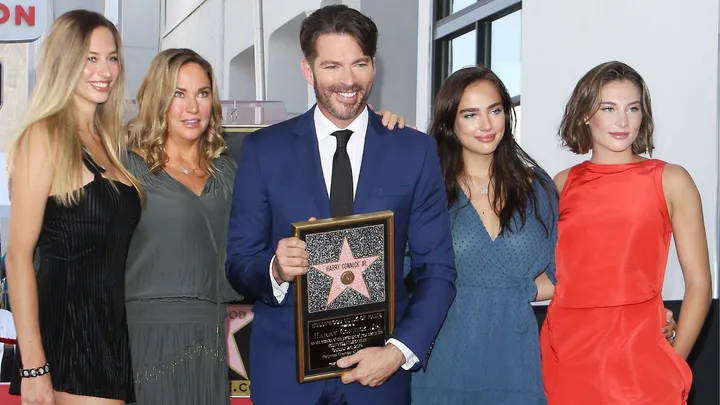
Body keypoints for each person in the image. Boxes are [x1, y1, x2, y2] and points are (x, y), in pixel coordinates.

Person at [381, 67, 679, 405]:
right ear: (450, 121)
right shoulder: (427, 186)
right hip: (441, 358)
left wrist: (648, 315)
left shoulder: (537, 188)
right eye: (470, 114)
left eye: (495, 111)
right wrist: (380, 134)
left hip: (517, 359)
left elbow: (571, 272)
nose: (486, 125)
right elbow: (388, 265)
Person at [225, 5, 456, 405]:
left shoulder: (413, 151)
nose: (348, 81)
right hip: (286, 378)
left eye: (359, 64)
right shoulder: (265, 151)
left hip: (379, 379)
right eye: (332, 66)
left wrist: (398, 351)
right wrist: (276, 269)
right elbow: (239, 262)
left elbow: (437, 271)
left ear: (373, 67)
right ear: (307, 70)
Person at [540, 61, 712, 405]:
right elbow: (555, 278)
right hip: (566, 358)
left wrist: (675, 361)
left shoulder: (671, 180)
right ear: (585, 114)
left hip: (642, 364)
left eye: (633, 108)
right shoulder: (560, 185)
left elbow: (700, 283)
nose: (622, 121)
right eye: (609, 108)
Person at [5, 9, 143, 405]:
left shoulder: (108, 141)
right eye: (90, 57)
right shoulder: (44, 137)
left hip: (111, 338)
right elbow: (18, 257)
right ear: (66, 62)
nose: (105, 69)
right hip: (69, 341)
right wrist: (33, 367)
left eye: (112, 57)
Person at [122, 48, 239, 405]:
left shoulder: (231, 175)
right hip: (146, 338)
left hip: (211, 336)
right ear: (158, 98)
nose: (193, 108)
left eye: (202, 94)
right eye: (179, 94)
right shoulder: (126, 170)